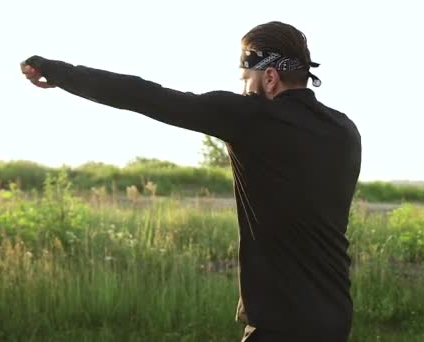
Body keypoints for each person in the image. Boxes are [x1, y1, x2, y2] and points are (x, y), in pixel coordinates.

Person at [20, 21, 362, 342]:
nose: (243, 88)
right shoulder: (345, 131)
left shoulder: (250, 117)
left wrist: (60, 73)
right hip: (334, 317)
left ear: (270, 77)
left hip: (280, 323)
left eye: (246, 78)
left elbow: (145, 96)